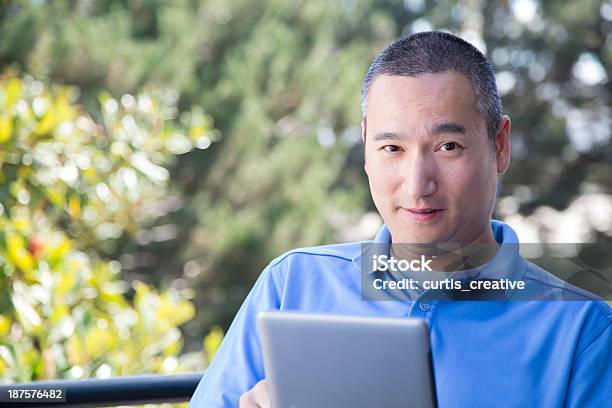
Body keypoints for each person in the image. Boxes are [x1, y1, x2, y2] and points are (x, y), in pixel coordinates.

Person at [189, 31, 612, 407]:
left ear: (499, 145)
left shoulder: (581, 333)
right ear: (366, 149)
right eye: (392, 148)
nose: (417, 184)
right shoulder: (292, 284)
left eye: (448, 146)